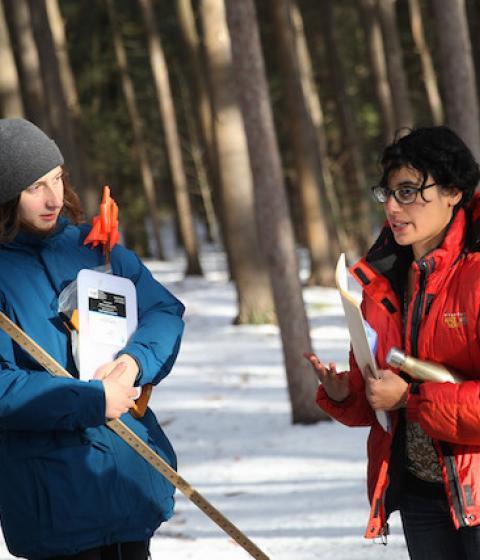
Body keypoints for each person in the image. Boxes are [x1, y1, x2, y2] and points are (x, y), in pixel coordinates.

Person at [0, 118, 185, 560]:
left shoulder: (95, 248)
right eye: (33, 188)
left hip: (128, 480)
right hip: (54, 501)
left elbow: (163, 311)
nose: (53, 198)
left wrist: (133, 362)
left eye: (57, 179)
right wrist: (91, 399)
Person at [305, 126, 480, 560]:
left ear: (454, 192)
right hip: (420, 493)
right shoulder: (382, 281)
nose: (394, 208)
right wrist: (348, 393)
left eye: (409, 191)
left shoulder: (475, 275)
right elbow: (382, 398)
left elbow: (407, 398)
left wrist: (412, 399)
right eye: (387, 193)